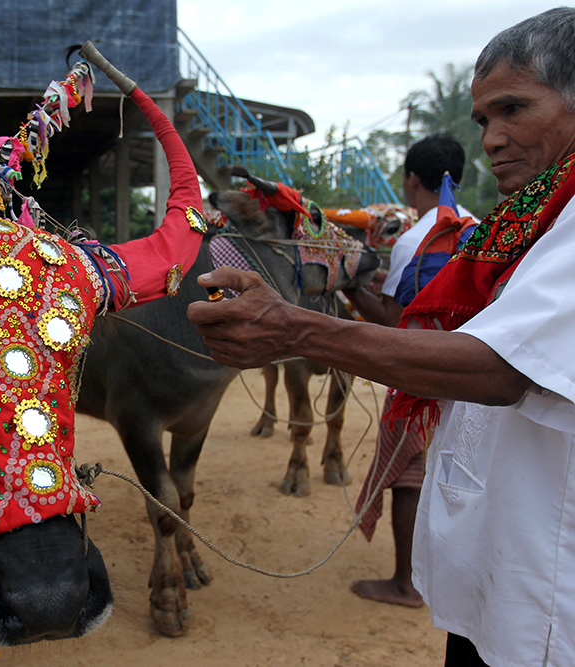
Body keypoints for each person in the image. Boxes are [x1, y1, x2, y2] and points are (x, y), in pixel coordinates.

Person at [187, 7, 575, 666]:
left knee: (407, 475)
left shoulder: (500, 231)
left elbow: (500, 366)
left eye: (514, 109)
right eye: (483, 120)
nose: (493, 138)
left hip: (544, 599)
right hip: (504, 572)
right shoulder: (507, 228)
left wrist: (295, 324)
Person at [341, 134, 474, 608]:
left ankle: (405, 584)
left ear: (412, 180)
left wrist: (348, 287)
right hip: (476, 377)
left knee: (408, 477)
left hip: (423, 380)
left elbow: (394, 323)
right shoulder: (481, 229)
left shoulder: (414, 239)